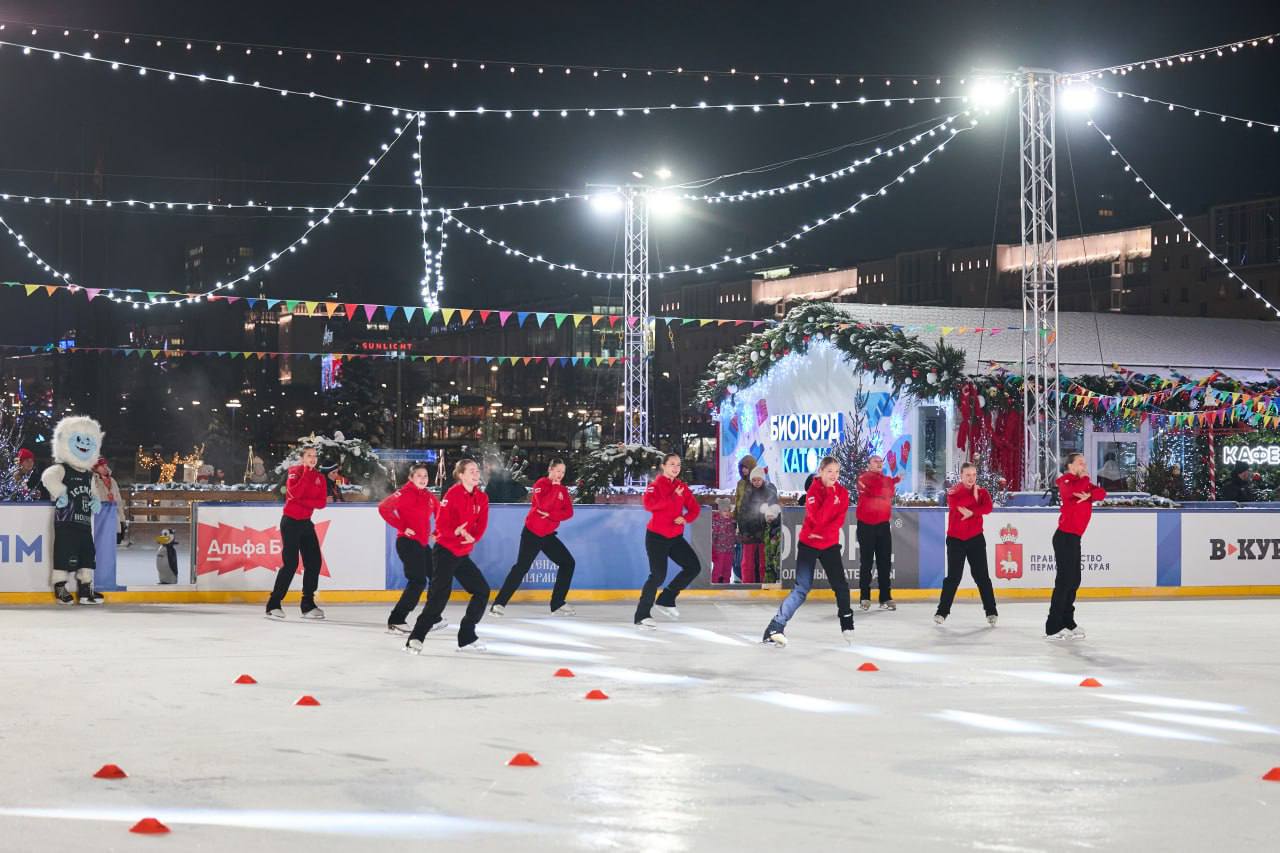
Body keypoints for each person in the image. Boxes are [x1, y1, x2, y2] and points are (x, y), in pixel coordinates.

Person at [762, 456, 855, 647]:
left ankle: (847, 623)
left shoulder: (843, 493)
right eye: (830, 471)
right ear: (821, 472)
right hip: (809, 544)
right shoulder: (814, 490)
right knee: (801, 589)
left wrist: (824, 533)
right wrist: (830, 496)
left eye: (837, 472)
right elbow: (817, 518)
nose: (834, 475)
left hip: (829, 544)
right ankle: (775, 627)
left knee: (841, 586)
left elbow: (838, 520)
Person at [406, 458, 491, 653]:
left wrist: (472, 537)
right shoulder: (452, 494)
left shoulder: (482, 497)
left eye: (477, 470)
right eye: (471, 471)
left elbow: (481, 524)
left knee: (481, 591)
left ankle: (467, 636)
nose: (476, 474)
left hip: (462, 553)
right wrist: (456, 531)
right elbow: (441, 524)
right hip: (445, 551)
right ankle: (416, 638)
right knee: (439, 597)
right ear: (461, 475)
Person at [491, 457, 578, 616]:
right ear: (550, 469)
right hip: (532, 533)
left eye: (563, 472)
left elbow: (569, 512)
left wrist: (551, 515)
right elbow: (543, 505)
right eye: (558, 470)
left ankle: (557, 603)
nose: (560, 474)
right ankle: (498, 604)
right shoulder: (541, 484)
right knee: (521, 568)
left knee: (568, 563)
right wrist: (555, 489)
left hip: (548, 535)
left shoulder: (563, 490)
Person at [42, 416, 105, 604]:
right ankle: (60, 586)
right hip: (66, 522)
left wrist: (96, 500)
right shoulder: (62, 469)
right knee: (63, 554)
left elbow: (94, 493)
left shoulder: (89, 475)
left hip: (84, 523)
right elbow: (48, 477)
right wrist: (60, 492)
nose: (84, 444)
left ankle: (85, 589)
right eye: (79, 439)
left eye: (88, 440)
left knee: (88, 554)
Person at [634, 453, 702, 629]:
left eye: (678, 465)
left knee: (693, 567)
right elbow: (649, 505)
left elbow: (694, 509)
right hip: (656, 537)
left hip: (675, 537)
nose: (676, 468)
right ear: (663, 466)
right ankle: (642, 615)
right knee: (657, 575)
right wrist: (673, 497)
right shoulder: (654, 486)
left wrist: (685, 519)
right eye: (672, 464)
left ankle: (666, 599)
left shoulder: (681, 487)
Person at [1047, 452, 1107, 640]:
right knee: (1064, 582)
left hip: (1074, 538)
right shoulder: (1065, 481)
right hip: (1064, 537)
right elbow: (1070, 492)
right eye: (1081, 463)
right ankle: (1053, 626)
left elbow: (1102, 493)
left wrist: (1089, 494)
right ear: (1070, 466)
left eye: (1085, 463)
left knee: (1074, 581)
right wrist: (1086, 483)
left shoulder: (1082, 483)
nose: (1084, 466)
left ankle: (1067, 621)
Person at [379, 462, 444, 634]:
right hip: (407, 543)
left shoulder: (429, 496)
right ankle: (396, 620)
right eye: (419, 476)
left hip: (422, 545)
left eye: (425, 476)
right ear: (411, 478)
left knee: (437, 578)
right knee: (418, 581)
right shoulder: (404, 493)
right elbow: (384, 508)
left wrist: (437, 531)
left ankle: (432, 618)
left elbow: (440, 513)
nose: (423, 479)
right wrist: (402, 526)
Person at [265, 446, 328, 621]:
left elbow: (321, 503)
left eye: (315, 456)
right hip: (290, 522)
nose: (313, 459)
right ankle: (273, 604)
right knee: (291, 563)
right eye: (309, 455)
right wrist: (306, 475)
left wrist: (302, 501)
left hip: (306, 523)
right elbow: (295, 492)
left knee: (314, 562)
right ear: (302, 458)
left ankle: (308, 604)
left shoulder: (320, 477)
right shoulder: (294, 472)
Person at [934, 462, 998, 626]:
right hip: (956, 540)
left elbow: (988, 508)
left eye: (974, 475)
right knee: (953, 577)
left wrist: (974, 510)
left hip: (976, 539)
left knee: (982, 577)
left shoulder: (982, 492)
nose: (971, 478)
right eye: (968, 475)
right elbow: (958, 507)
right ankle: (942, 612)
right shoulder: (953, 491)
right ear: (961, 476)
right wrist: (975, 500)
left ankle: (991, 611)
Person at [855, 455, 901, 610]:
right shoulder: (863, 477)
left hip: (883, 525)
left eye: (881, 461)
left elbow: (889, 493)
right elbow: (877, 491)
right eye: (875, 461)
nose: (879, 463)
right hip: (866, 526)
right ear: (868, 464)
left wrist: (889, 485)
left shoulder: (887, 480)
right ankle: (865, 597)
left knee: (885, 562)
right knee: (866, 562)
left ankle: (885, 597)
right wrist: (888, 485)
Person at [735, 467, 780, 584]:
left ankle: (764, 583)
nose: (756, 482)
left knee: (764, 561)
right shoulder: (747, 493)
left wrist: (768, 528)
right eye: (754, 480)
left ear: (763, 479)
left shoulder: (769, 492)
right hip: (749, 532)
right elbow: (742, 512)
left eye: (758, 480)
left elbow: (773, 509)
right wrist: (743, 530)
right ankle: (747, 584)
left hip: (764, 532)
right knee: (747, 562)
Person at [91, 457, 126, 545]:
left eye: (105, 465)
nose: (105, 467)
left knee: (111, 545)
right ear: (96, 467)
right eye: (102, 466)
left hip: (113, 516)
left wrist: (122, 520)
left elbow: (118, 500)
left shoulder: (112, 481)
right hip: (99, 517)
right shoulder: (92, 480)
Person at [732, 454, 756, 579]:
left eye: (746, 467)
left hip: (755, 523)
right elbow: (738, 502)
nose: (743, 470)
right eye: (742, 468)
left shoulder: (757, 482)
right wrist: (735, 518)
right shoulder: (740, 484)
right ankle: (743, 578)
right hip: (742, 523)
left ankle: (754, 580)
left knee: (754, 554)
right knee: (743, 554)